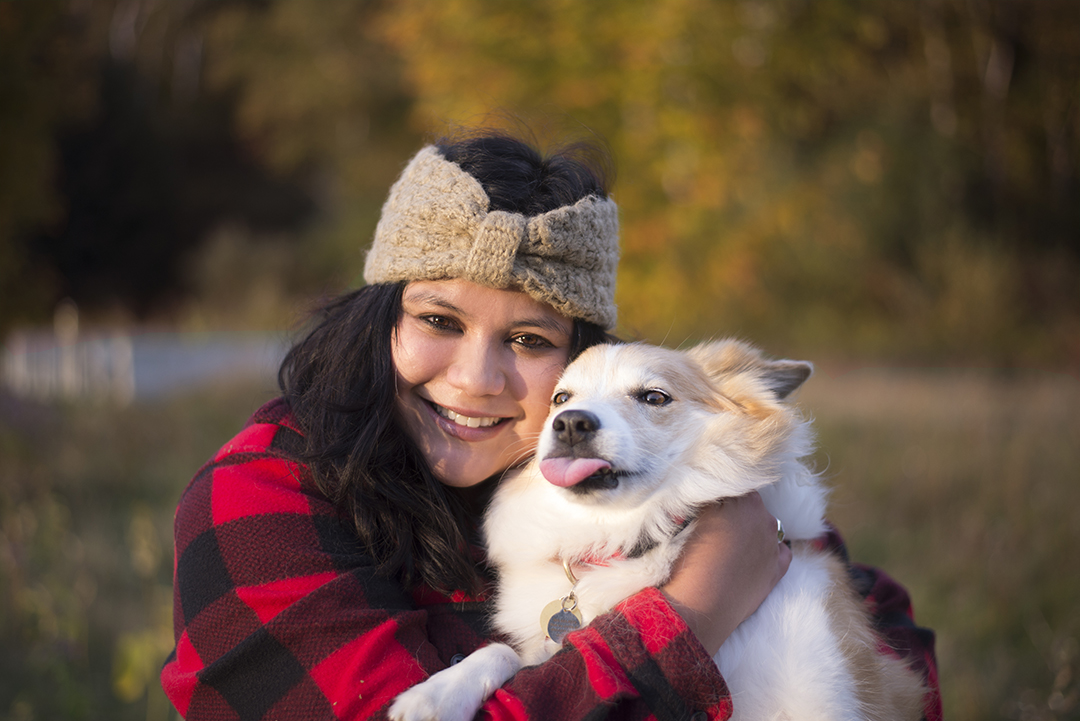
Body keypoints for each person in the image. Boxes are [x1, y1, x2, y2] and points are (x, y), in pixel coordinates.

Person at [161, 131, 941, 720]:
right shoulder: (255, 500)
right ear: (378, 321)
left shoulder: (587, 473)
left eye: (530, 341)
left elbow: (898, 648)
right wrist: (695, 610)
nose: (476, 379)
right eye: (438, 318)